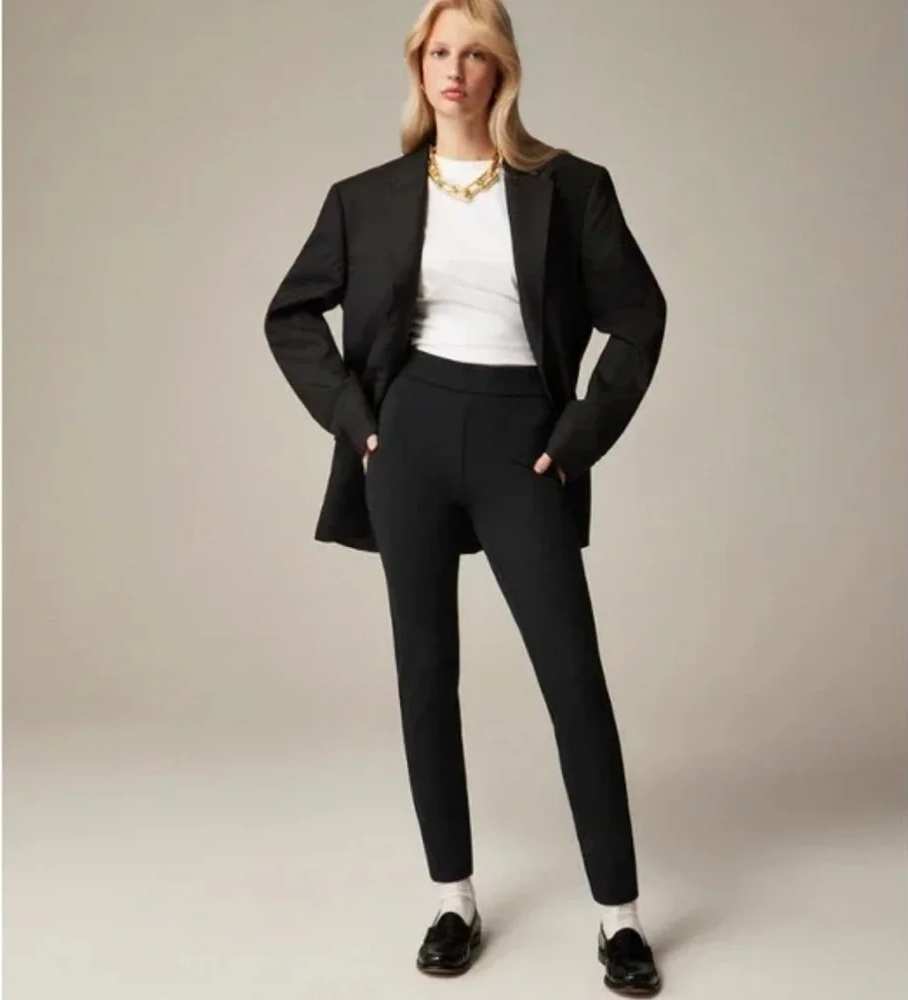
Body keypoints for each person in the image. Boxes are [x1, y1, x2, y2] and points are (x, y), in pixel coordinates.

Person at [263, 0, 667, 993]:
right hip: (406, 440)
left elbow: (638, 314)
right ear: (419, 66)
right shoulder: (365, 197)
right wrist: (357, 422)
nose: (454, 70)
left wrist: (577, 437)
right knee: (424, 675)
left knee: (572, 677)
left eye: (474, 53)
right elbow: (290, 315)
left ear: (502, 71)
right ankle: (454, 900)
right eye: (439, 51)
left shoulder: (569, 187)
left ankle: (619, 919)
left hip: (520, 443)